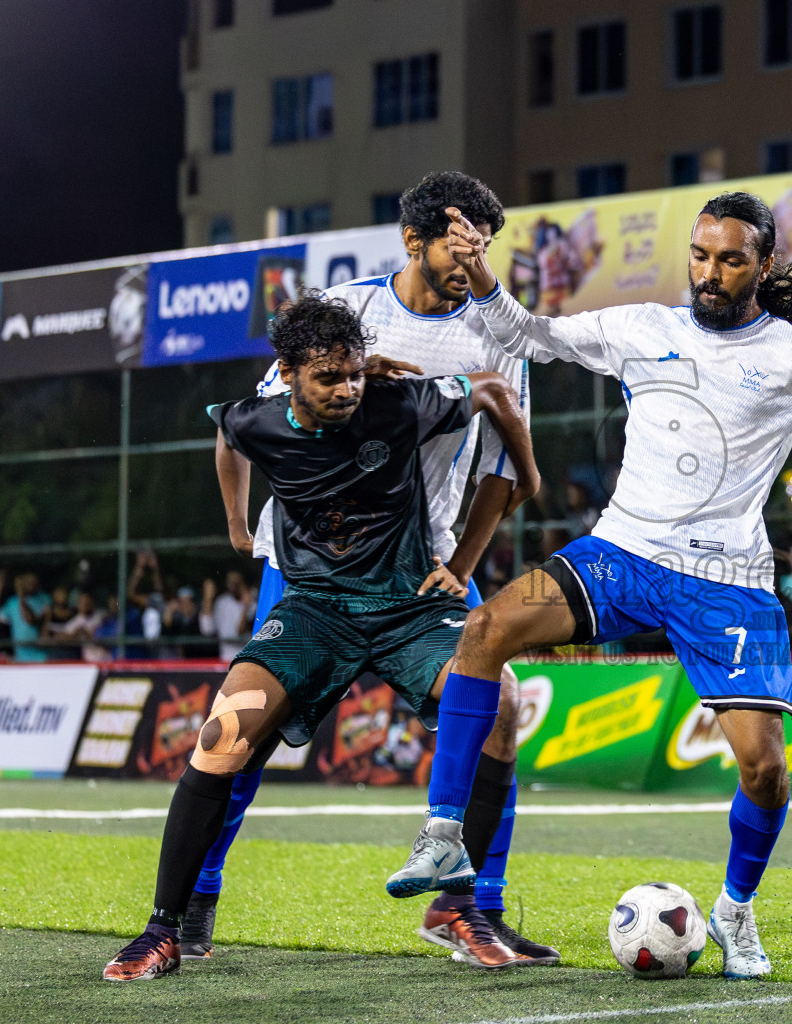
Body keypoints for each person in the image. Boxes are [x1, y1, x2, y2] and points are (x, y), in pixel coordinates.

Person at [382, 191, 792, 978]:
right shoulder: (639, 328)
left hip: (726, 583)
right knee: (486, 629)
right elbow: (526, 334)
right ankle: (446, 830)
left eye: (731, 260)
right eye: (700, 255)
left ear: (762, 264)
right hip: (618, 556)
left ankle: (734, 910)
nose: (710, 273)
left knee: (765, 769)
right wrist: (486, 275)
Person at [101, 291, 538, 982]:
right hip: (313, 611)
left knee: (502, 702)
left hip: (407, 605)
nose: (346, 390)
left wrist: (527, 471)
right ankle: (162, 930)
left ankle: (461, 906)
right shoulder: (260, 419)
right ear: (288, 374)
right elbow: (227, 436)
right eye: (328, 378)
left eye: (353, 374)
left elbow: (491, 388)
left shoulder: (400, 403)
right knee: (223, 735)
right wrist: (238, 527)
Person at [182, 172, 555, 969]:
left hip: (425, 567)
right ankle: (196, 898)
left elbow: (502, 469)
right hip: (313, 565)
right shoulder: (347, 312)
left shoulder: (496, 333)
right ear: (412, 242)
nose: (472, 263)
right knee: (246, 734)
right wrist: (241, 526)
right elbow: (262, 418)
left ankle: (469, 910)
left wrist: (461, 562)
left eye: (483, 248)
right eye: (459, 248)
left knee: (495, 716)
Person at [0, 573, 51, 663]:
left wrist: (20, 595)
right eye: (28, 581)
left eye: (33, 581)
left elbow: (29, 619)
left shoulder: (43, 600)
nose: (31, 584)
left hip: (40, 657)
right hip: (20, 658)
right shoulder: (12, 602)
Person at [202, 571, 255, 662]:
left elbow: (240, 631)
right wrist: (208, 598)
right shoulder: (222, 602)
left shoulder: (253, 603)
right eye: (231, 582)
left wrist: (246, 607)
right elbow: (207, 629)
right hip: (225, 658)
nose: (234, 586)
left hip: (247, 658)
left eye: (237, 582)